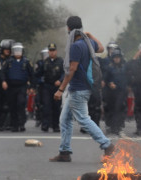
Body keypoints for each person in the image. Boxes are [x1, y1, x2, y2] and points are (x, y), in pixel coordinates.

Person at [49, 16, 114, 162]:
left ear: (69, 29)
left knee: (84, 119)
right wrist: (91, 36)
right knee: (65, 119)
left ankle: (107, 145)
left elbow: (72, 69)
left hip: (79, 89)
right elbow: (102, 48)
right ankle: (64, 152)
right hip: (83, 88)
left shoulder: (76, 46)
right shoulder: (88, 42)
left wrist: (60, 89)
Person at [1, 42, 35, 132]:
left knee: (21, 103)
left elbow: (32, 74)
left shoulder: (26, 62)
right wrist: (3, 81)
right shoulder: (8, 62)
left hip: (22, 86)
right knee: (12, 106)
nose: (17, 52)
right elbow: (3, 72)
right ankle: (14, 125)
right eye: (16, 50)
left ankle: (21, 123)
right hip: (11, 87)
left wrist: (32, 86)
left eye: (19, 50)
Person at [36, 43, 64, 132]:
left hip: (57, 88)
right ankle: (45, 124)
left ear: (56, 51)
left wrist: (60, 80)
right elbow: (38, 74)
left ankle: (56, 125)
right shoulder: (45, 62)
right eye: (50, 51)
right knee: (46, 106)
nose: (52, 52)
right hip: (47, 87)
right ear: (48, 52)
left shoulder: (61, 61)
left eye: (53, 51)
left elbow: (65, 73)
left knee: (56, 106)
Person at [103, 48, 128, 135]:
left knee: (120, 108)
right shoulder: (109, 67)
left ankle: (119, 126)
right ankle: (111, 126)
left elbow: (128, 78)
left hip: (122, 91)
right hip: (111, 92)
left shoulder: (125, 67)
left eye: (118, 57)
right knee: (111, 109)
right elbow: (105, 79)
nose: (117, 59)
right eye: (115, 57)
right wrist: (110, 83)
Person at [34, 48, 48, 127]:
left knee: (48, 103)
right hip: (40, 85)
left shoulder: (52, 62)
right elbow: (36, 74)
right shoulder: (39, 63)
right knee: (39, 102)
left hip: (48, 85)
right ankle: (38, 118)